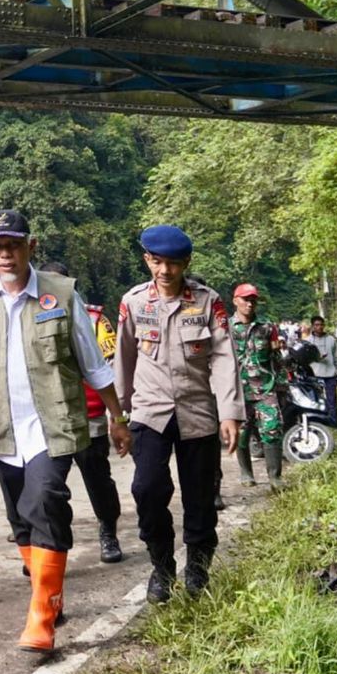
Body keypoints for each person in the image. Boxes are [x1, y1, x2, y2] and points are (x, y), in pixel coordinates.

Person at [0, 211, 130, 653]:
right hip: (2, 426)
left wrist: (118, 419)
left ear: (31, 246)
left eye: (14, 245)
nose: (6, 254)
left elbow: (92, 362)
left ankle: (41, 615)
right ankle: (52, 592)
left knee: (45, 501)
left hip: (52, 424)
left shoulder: (60, 293)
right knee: (20, 516)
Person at [116, 225, 242, 603]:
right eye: (157, 262)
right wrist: (118, 416)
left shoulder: (207, 302)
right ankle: (162, 565)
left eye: (173, 263)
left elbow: (224, 357)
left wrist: (230, 411)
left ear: (186, 263)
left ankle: (199, 567)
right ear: (146, 260)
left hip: (198, 411)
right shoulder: (134, 302)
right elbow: (122, 358)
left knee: (200, 496)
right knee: (147, 489)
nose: (165, 271)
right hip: (149, 411)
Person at [41, 261, 123, 565]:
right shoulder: (30, 316)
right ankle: (49, 544)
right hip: (48, 418)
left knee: (98, 480)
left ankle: (108, 532)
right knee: (47, 487)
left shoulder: (94, 318)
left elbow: (107, 363)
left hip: (89, 415)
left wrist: (117, 414)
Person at [229, 284, 285, 489]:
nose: (249, 303)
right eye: (245, 299)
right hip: (238, 392)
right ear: (235, 301)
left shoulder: (267, 327)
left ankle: (275, 478)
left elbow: (276, 358)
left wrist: (282, 387)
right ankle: (246, 473)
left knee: (272, 430)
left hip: (265, 389)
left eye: (253, 299)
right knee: (242, 432)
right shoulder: (225, 328)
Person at [307, 315, 337, 382]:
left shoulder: (331, 339)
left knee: (331, 393)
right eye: (317, 325)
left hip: (331, 375)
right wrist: (317, 358)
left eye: (322, 325)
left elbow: (335, 356)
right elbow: (305, 359)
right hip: (314, 375)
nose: (320, 327)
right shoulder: (308, 341)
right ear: (312, 326)